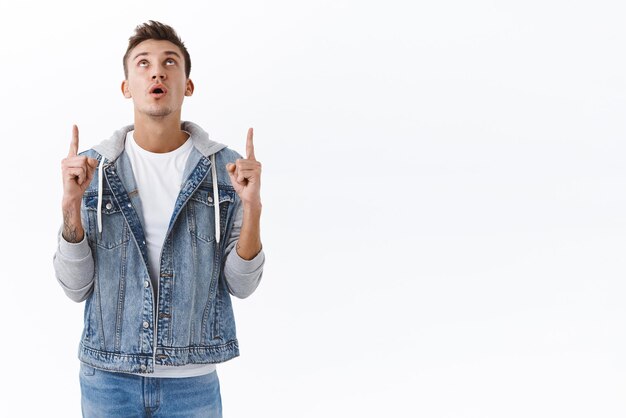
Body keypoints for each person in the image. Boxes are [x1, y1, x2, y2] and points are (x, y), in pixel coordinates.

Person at [53, 20, 264, 417]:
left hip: (192, 383)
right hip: (108, 378)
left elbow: (242, 285)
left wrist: (252, 208)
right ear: (126, 86)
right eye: (143, 63)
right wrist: (70, 208)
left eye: (170, 62)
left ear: (187, 85)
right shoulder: (94, 169)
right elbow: (75, 287)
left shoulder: (226, 169)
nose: (157, 71)